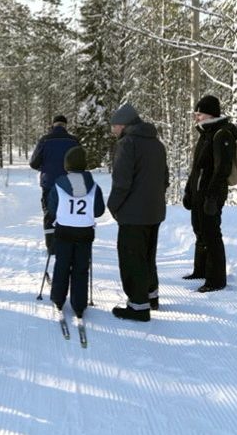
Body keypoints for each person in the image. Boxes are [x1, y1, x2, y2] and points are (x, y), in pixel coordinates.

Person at [107, 103, 169, 322]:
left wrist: (113, 205)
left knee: (132, 259)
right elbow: (165, 180)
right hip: (154, 212)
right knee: (147, 256)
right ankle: (151, 296)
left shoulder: (127, 144)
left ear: (123, 124)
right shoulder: (157, 145)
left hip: (133, 215)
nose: (113, 131)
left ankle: (138, 307)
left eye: (114, 126)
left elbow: (122, 182)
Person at [182, 95, 237, 292]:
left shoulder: (221, 135)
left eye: (200, 114)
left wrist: (212, 196)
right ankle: (201, 270)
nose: (196, 118)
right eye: (195, 114)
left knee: (211, 233)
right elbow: (197, 168)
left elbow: (222, 169)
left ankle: (216, 280)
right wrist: (189, 191)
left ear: (211, 114)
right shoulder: (205, 134)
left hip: (211, 194)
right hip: (199, 193)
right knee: (200, 231)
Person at [47, 146, 105, 318]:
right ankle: (79, 305)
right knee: (81, 268)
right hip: (85, 234)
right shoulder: (94, 186)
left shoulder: (59, 184)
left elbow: (51, 208)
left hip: (64, 231)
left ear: (67, 165)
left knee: (62, 265)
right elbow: (99, 210)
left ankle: (58, 298)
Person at [29, 115, 80, 255]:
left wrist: (44, 166)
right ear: (65, 125)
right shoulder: (74, 141)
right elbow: (81, 162)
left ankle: (51, 246)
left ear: (53, 125)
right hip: (70, 184)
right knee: (69, 213)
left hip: (49, 183)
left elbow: (34, 163)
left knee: (50, 214)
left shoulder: (44, 140)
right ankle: (68, 244)